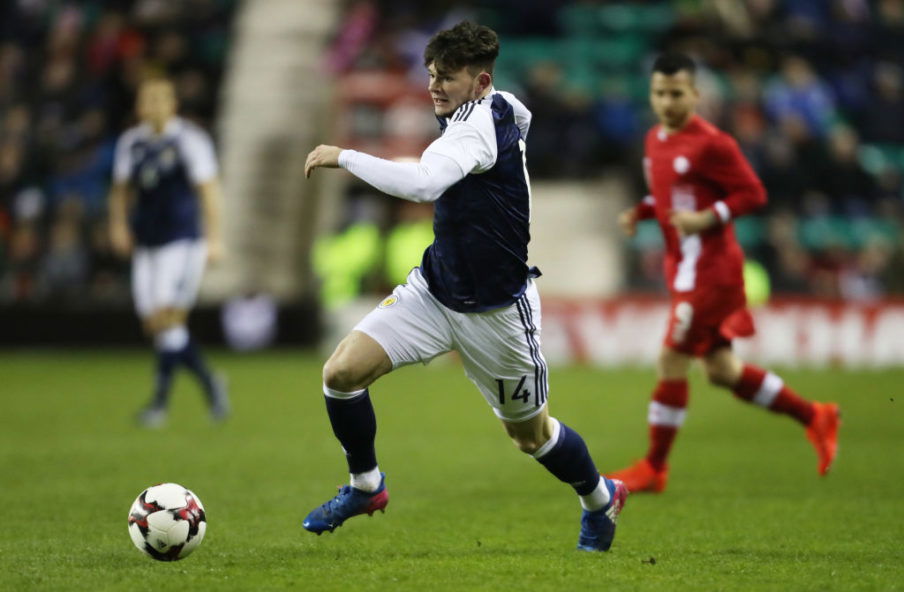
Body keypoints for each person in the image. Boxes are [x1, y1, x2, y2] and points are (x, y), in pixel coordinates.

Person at [302, 21, 627, 552]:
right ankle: (367, 486)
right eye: (430, 75)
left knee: (530, 436)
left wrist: (345, 155)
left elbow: (424, 184)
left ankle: (600, 497)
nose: (433, 87)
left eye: (446, 78)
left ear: (478, 83)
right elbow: (520, 113)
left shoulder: (474, 128)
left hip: (496, 313)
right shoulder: (495, 107)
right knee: (341, 372)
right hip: (435, 290)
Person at [605, 53, 840, 493]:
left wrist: (708, 217)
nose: (667, 101)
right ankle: (815, 415)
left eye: (676, 93)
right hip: (685, 270)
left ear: (695, 94)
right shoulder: (655, 139)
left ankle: (655, 467)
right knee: (721, 370)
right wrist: (641, 211)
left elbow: (752, 193)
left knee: (672, 359)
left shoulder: (713, 143)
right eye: (659, 93)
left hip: (713, 271)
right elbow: (671, 196)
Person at [108, 77, 230, 428]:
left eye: (162, 98)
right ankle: (211, 383)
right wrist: (118, 226)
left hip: (182, 242)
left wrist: (214, 238)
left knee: (167, 317)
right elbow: (120, 190)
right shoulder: (132, 142)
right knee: (155, 324)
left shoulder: (189, 140)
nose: (155, 105)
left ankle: (159, 405)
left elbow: (208, 190)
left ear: (173, 104)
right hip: (147, 242)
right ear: (140, 106)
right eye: (149, 99)